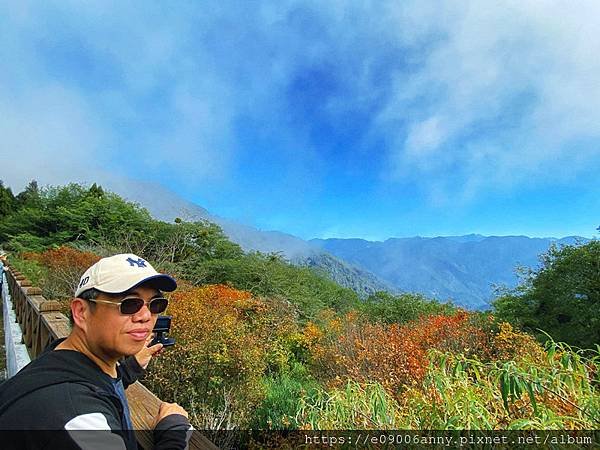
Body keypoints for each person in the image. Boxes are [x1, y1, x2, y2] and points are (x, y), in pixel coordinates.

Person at [0, 253, 192, 449]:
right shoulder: (78, 416)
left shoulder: (59, 359)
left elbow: (97, 380)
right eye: (129, 304)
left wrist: (130, 369)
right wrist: (174, 432)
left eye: (156, 304)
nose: (145, 316)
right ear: (81, 312)